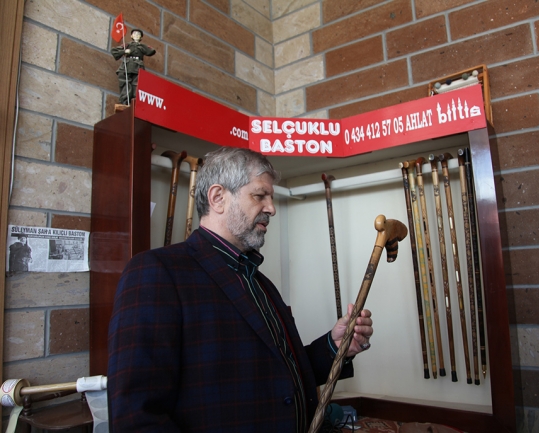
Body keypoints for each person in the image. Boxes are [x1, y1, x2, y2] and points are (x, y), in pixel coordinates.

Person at [107, 147, 374, 432]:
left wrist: (335, 346)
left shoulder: (260, 282)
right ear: (218, 198)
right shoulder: (157, 272)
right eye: (260, 196)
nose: (271, 208)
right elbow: (137, 416)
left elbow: (280, 375)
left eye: (271, 198)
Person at [110, 28, 156, 105]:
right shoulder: (127, 45)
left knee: (136, 84)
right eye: (134, 34)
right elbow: (114, 51)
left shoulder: (141, 46)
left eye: (138, 34)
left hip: (138, 66)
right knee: (125, 82)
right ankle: (125, 100)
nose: (136, 35)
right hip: (127, 65)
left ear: (141, 37)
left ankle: (134, 102)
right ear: (131, 36)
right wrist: (124, 51)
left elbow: (151, 51)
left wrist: (143, 46)